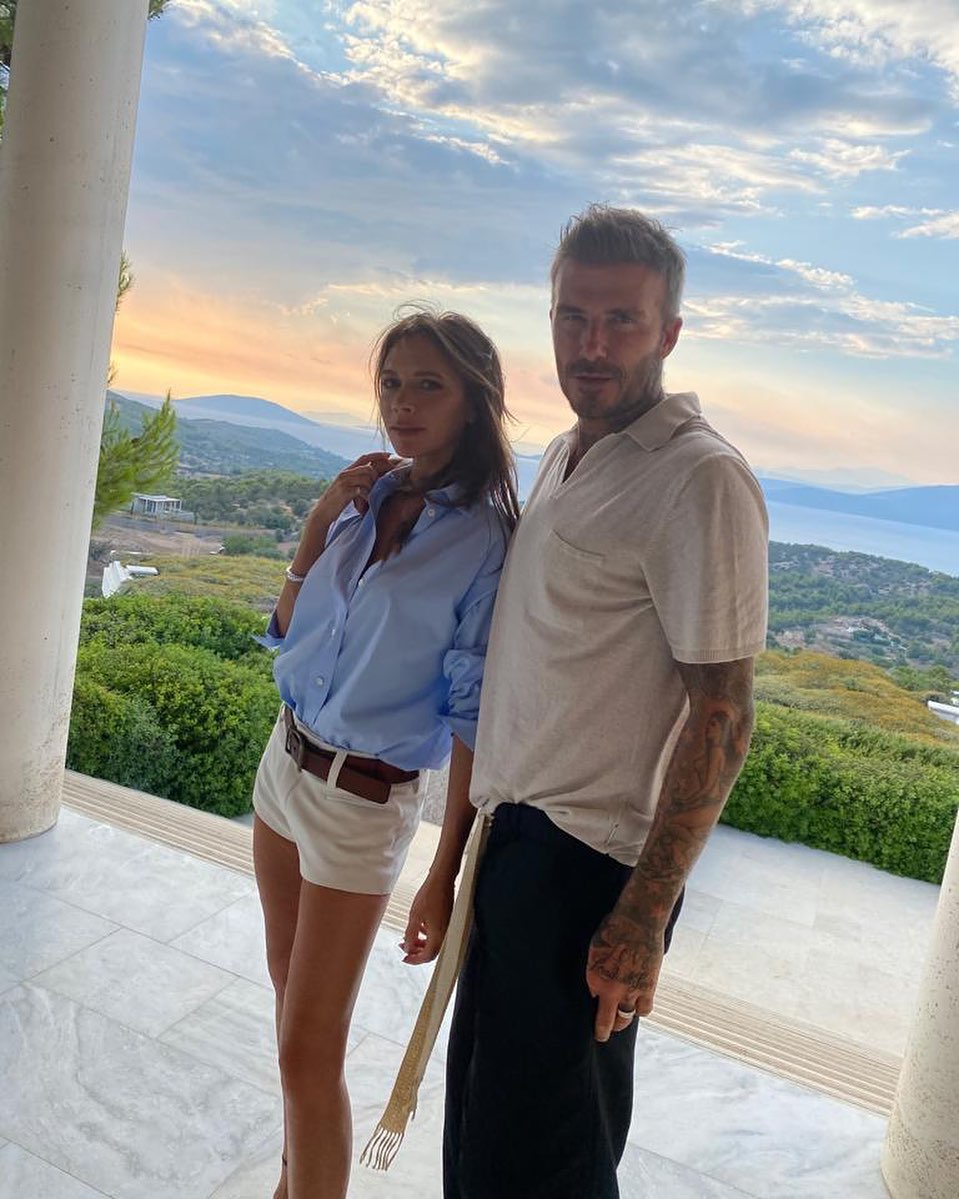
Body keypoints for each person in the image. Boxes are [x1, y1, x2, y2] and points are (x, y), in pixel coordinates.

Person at [440, 206, 769, 1198]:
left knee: (549, 1163)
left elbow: (723, 714)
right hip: (516, 847)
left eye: (621, 319)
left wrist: (642, 914)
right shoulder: (566, 452)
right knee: (486, 1147)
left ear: (668, 331)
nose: (591, 344)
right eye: (572, 316)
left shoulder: (699, 478)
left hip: (589, 872)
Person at [251, 308, 518, 1199]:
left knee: (307, 1047)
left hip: (362, 803)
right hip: (283, 767)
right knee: (291, 1019)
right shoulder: (365, 497)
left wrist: (444, 872)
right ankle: (294, 1180)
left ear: (473, 402)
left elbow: (472, 718)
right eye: (392, 383)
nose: (402, 403)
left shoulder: (485, 540)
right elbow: (287, 631)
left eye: (427, 385)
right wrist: (319, 521)